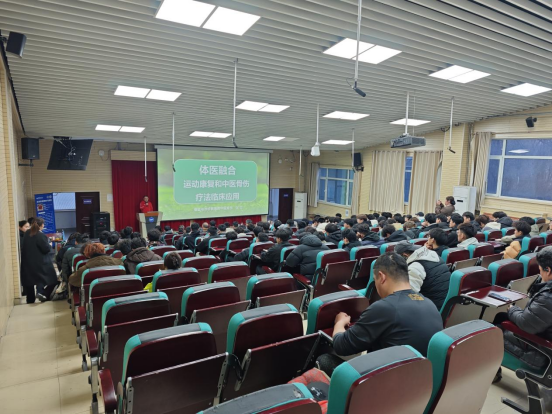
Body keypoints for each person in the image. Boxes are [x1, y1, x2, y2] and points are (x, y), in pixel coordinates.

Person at [319, 253, 443, 375]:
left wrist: (339, 323)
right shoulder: (429, 304)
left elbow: (341, 346)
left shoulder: (384, 308)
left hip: (387, 383)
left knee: (323, 360)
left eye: (375, 280)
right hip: (421, 380)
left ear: (381, 276)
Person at [498, 247, 552, 372]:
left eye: (540, 270)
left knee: (492, 330)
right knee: (500, 317)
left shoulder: (547, 297)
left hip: (541, 351)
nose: (540, 274)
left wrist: (512, 309)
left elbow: (526, 324)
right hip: (544, 334)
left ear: (548, 270)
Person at [394, 241, 451, 310]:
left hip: (433, 308)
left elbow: (409, 295)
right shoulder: (433, 255)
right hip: (445, 302)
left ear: (405, 255)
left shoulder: (415, 267)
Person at [20, 218, 57, 303]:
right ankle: (41, 293)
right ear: (41, 225)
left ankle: (30, 300)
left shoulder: (27, 233)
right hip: (40, 261)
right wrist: (49, 244)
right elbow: (45, 249)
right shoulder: (40, 235)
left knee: (29, 280)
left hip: (27, 261)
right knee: (46, 278)